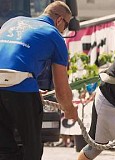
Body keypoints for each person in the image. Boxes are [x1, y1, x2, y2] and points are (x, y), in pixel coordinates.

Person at [0, 1, 78, 160]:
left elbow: (10, 60)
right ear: (59, 20)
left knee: (4, 146)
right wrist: (69, 110)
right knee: (32, 146)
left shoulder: (12, 21)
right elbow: (61, 89)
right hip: (21, 88)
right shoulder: (54, 35)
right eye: (67, 25)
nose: (65, 30)